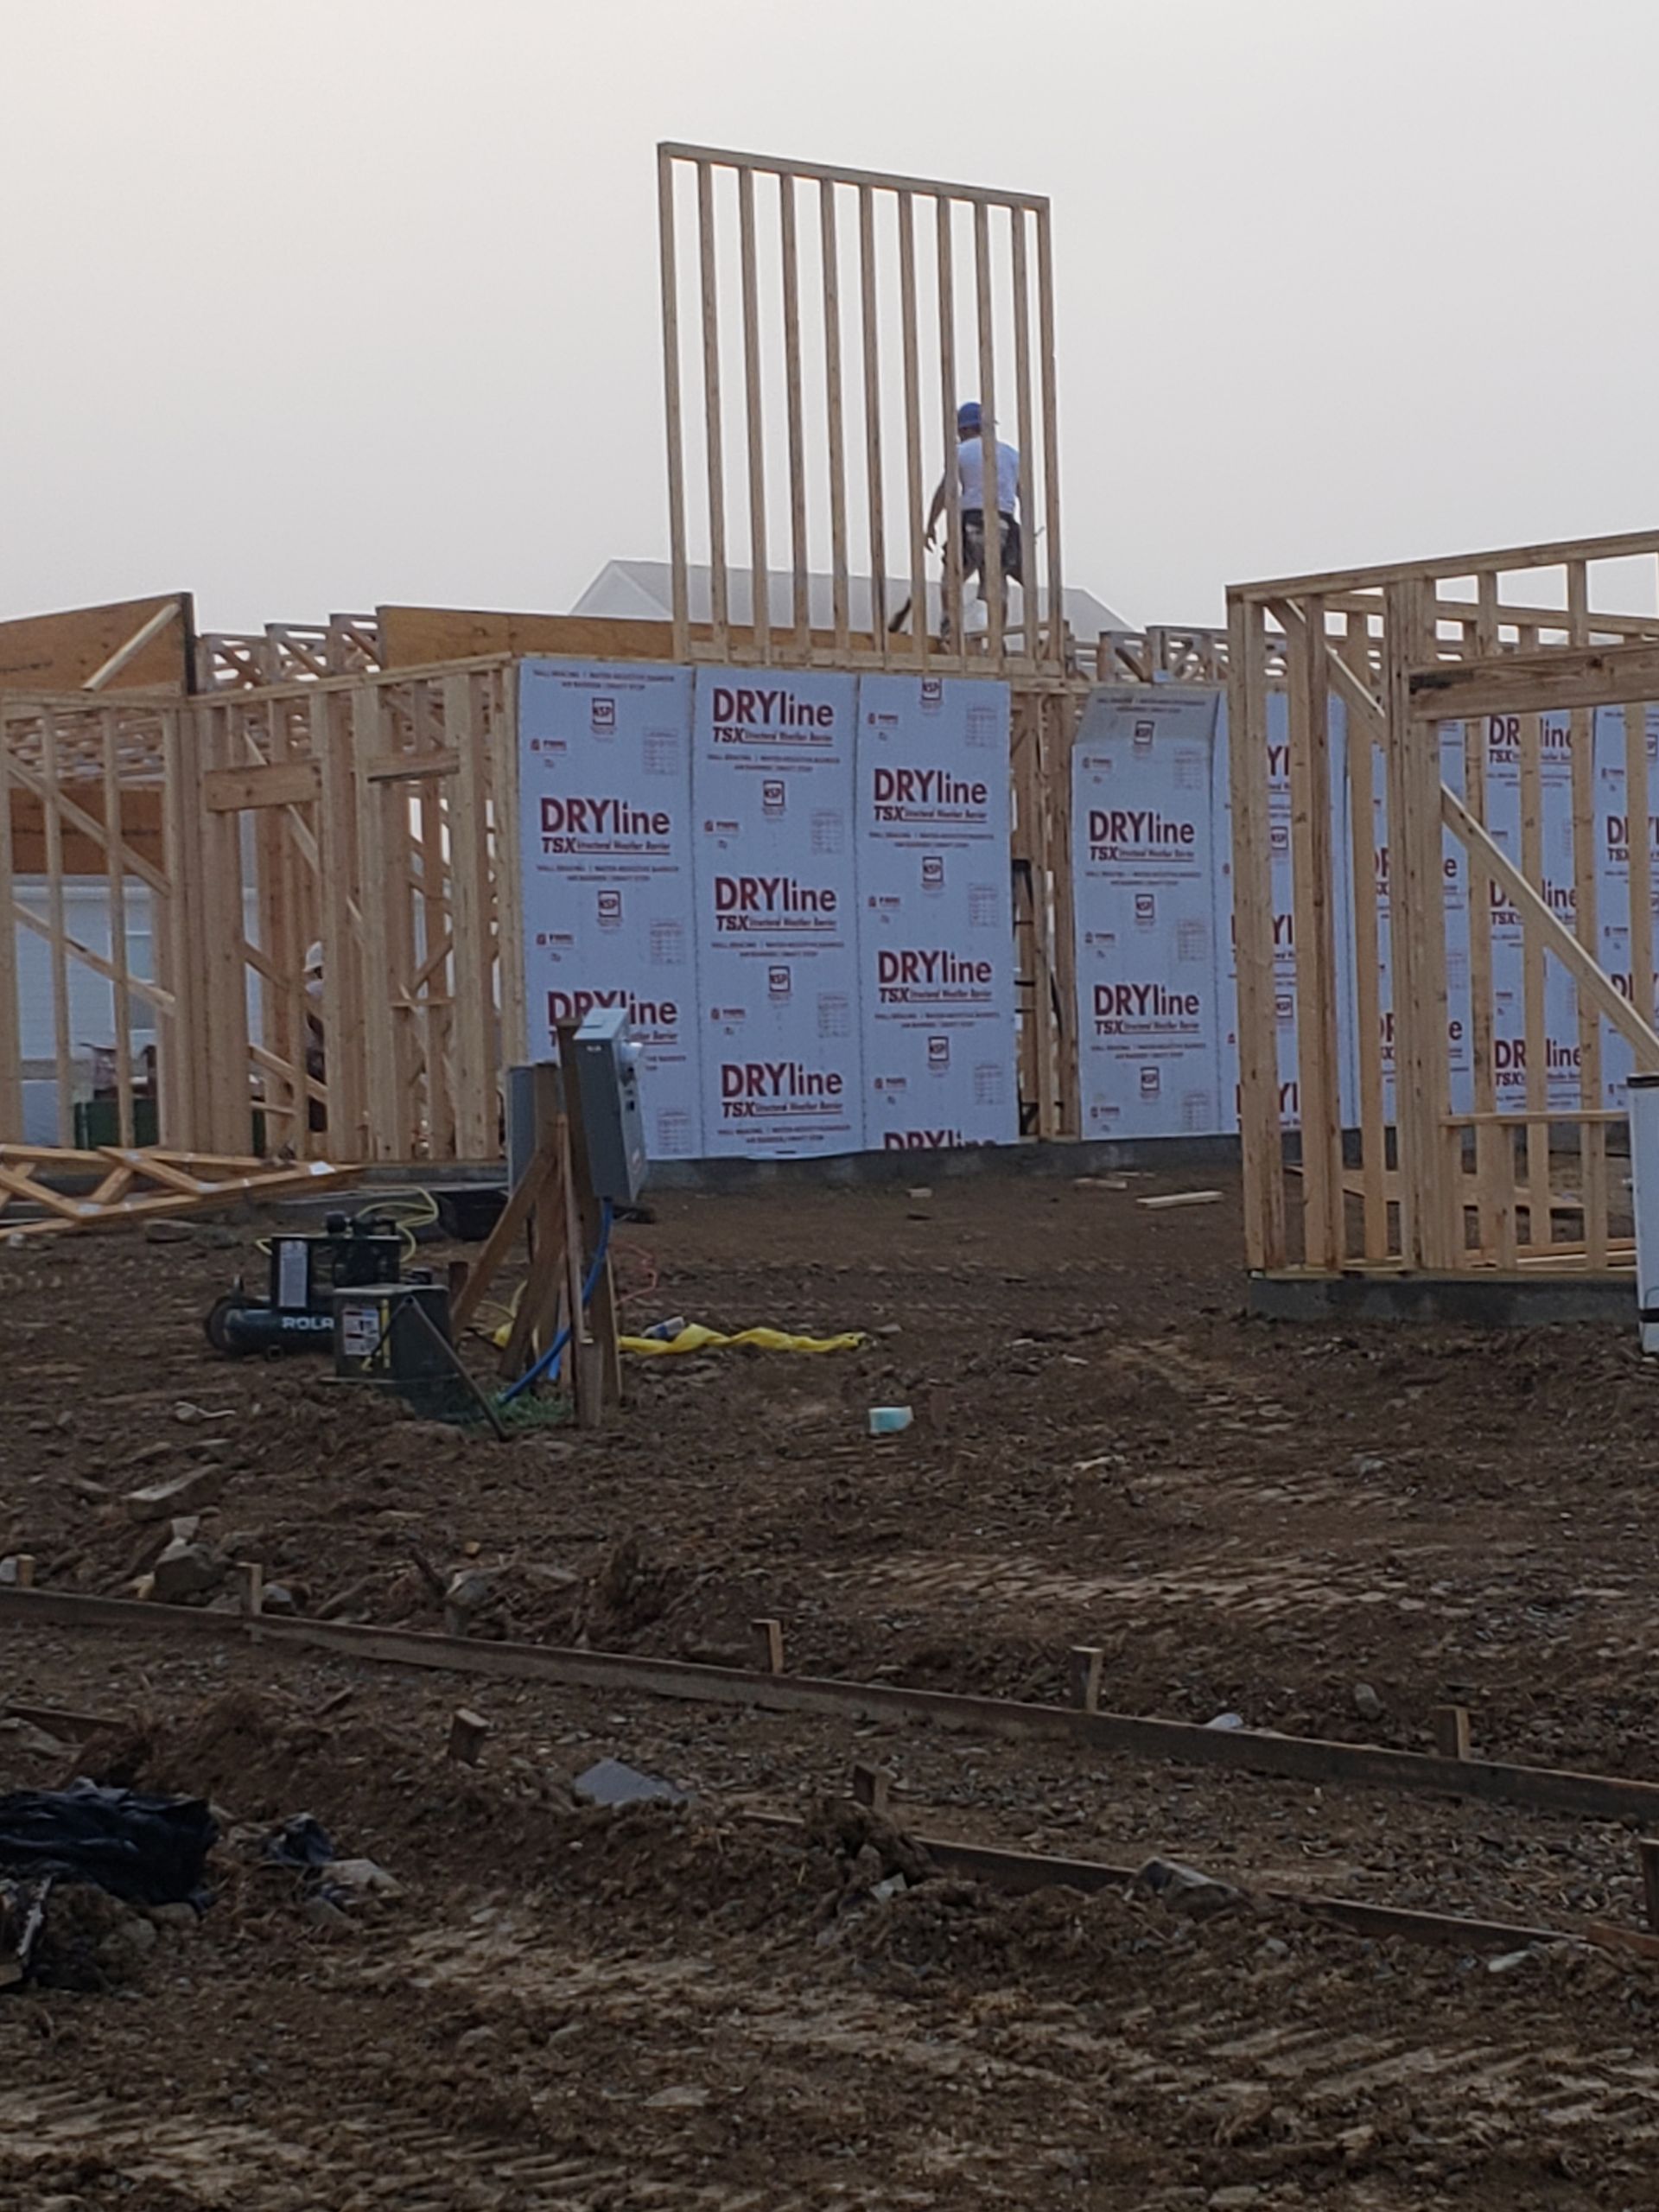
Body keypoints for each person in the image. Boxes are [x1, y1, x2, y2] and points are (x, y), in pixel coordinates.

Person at [925, 401, 1022, 632]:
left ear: (966, 429)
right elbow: (1022, 494)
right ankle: (998, 638)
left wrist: (930, 525)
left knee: (953, 576)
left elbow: (946, 491)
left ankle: (950, 624)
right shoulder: (1011, 454)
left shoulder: (961, 452)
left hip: (973, 519)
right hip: (1005, 523)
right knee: (996, 582)